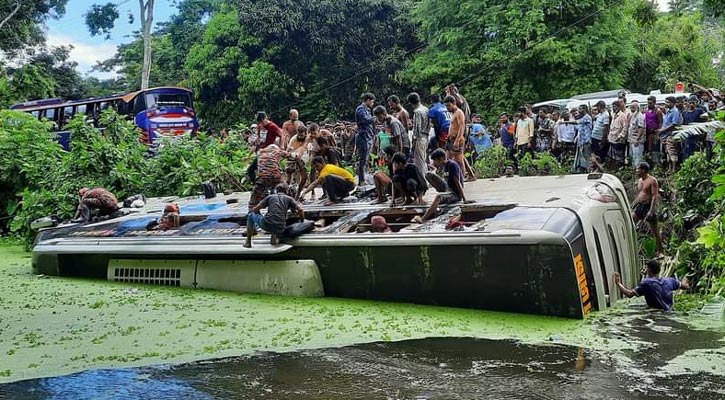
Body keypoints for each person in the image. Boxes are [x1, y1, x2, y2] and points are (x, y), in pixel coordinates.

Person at [614, 259, 690, 311]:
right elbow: (686, 287)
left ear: (649, 270)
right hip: (669, 313)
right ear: (659, 269)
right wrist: (686, 279)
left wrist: (618, 283)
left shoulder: (646, 283)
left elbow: (629, 294)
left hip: (655, 315)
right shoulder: (670, 281)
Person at [245, 183, 305, 248]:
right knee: (279, 217)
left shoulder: (270, 197)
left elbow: (255, 209)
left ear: (277, 190)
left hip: (267, 224)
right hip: (280, 227)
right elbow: (300, 210)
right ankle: (274, 235)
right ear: (287, 191)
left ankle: (248, 241)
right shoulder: (289, 199)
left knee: (250, 216)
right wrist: (302, 221)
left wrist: (257, 213)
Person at [414, 149, 466, 222]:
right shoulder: (444, 166)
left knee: (439, 196)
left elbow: (457, 181)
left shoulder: (452, 165)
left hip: (454, 193)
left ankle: (423, 219)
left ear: (441, 159)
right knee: (428, 174)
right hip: (447, 188)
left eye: (435, 161)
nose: (434, 163)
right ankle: (438, 202)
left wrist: (463, 198)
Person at [632, 162, 663, 255]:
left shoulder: (652, 180)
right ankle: (632, 246)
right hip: (640, 205)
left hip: (648, 206)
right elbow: (639, 194)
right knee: (631, 221)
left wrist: (651, 210)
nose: (636, 171)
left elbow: (654, 196)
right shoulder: (639, 181)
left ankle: (660, 251)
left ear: (643, 170)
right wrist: (634, 205)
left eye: (638, 169)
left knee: (655, 231)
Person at [444, 96, 470, 179]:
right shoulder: (453, 113)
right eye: (446, 106)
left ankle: (461, 177)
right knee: (447, 159)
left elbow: (461, 127)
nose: (447, 108)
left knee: (459, 160)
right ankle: (450, 177)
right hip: (450, 139)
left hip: (457, 139)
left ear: (454, 103)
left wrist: (457, 140)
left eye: (449, 106)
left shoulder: (459, 113)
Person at [355, 93, 377, 185]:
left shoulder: (366, 110)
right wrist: (375, 118)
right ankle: (361, 180)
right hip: (362, 137)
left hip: (367, 137)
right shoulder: (361, 109)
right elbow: (365, 120)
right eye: (372, 101)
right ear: (367, 100)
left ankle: (364, 178)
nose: (372, 104)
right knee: (362, 159)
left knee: (366, 159)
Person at [408, 92, 431, 176]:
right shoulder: (426, 109)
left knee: (419, 162)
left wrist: (413, 143)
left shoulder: (417, 112)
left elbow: (416, 130)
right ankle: (426, 178)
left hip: (420, 138)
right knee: (424, 159)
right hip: (426, 136)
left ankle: (423, 180)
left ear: (411, 103)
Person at [659, 97, 681, 173]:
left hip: (671, 135)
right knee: (667, 152)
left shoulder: (675, 111)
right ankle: (669, 168)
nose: (666, 103)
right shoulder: (668, 111)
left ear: (673, 103)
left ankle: (674, 168)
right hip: (665, 136)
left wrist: (662, 131)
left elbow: (674, 124)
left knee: (672, 152)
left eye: (668, 102)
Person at [608, 100, 628, 169]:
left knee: (619, 155)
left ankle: (620, 167)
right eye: (613, 107)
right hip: (612, 138)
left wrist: (621, 136)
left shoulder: (622, 115)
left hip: (619, 139)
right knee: (613, 155)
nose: (613, 108)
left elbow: (625, 127)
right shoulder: (613, 115)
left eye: (615, 107)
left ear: (619, 107)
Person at [644, 96, 664, 165]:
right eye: (648, 103)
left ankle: (656, 164)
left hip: (655, 133)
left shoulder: (658, 111)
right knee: (648, 150)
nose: (649, 105)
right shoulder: (646, 110)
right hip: (647, 133)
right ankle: (649, 163)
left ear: (654, 103)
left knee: (655, 150)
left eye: (650, 103)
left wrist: (658, 134)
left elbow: (660, 122)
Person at [628, 101, 646, 171]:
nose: (631, 109)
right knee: (633, 156)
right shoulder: (633, 115)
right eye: (631, 107)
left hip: (637, 141)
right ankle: (634, 170)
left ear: (637, 108)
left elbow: (641, 128)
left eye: (633, 107)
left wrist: (637, 139)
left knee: (638, 157)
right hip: (632, 140)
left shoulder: (640, 116)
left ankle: (638, 171)